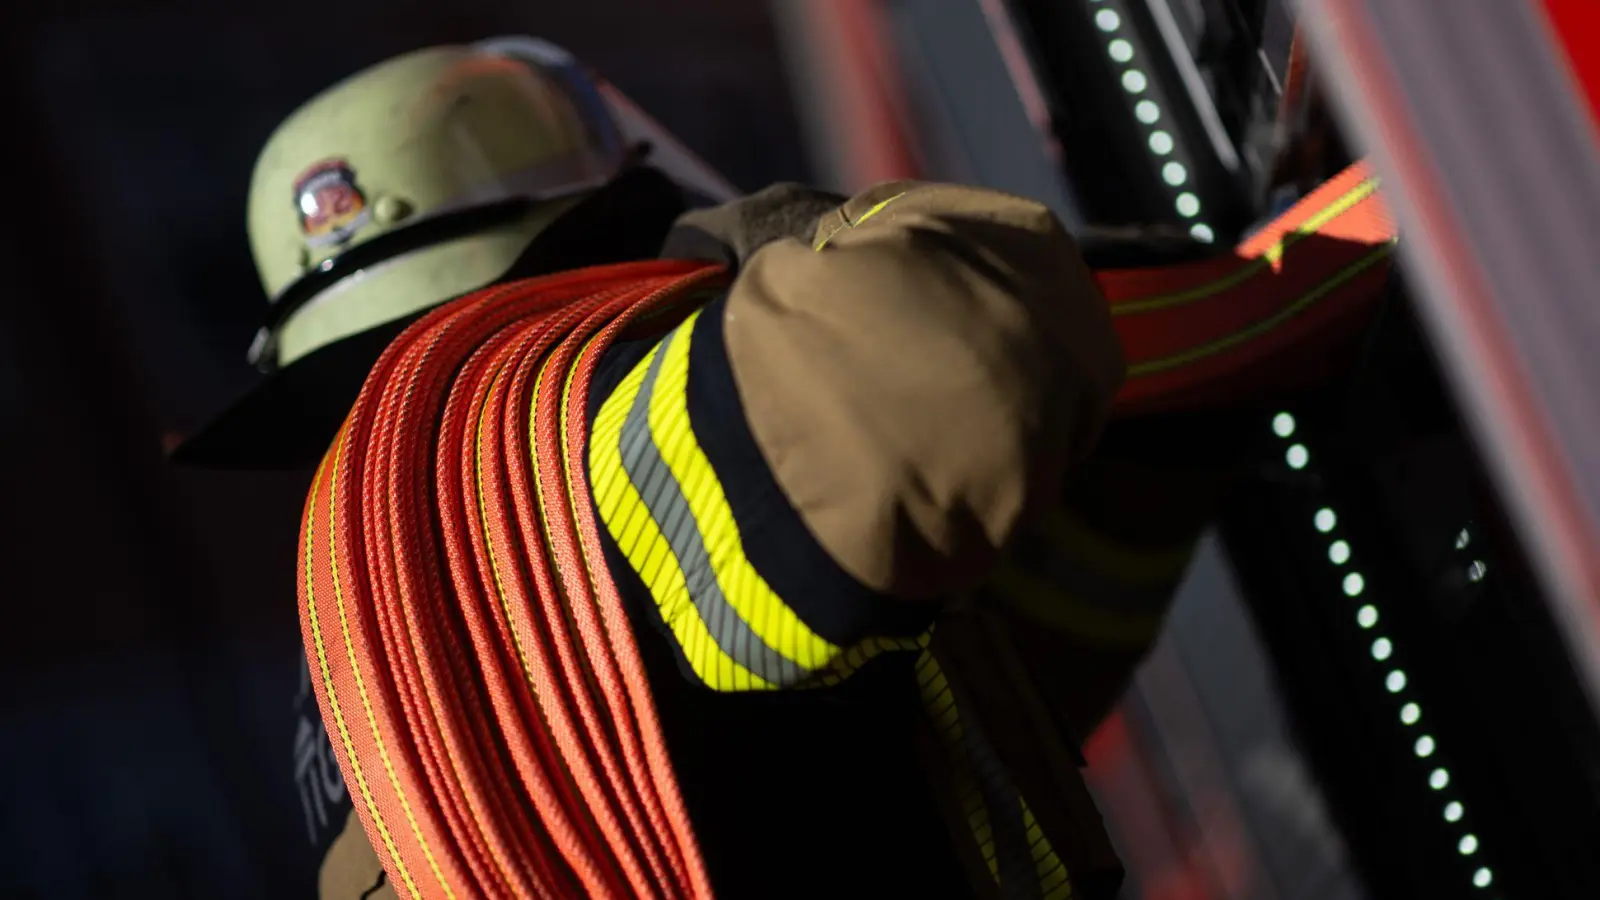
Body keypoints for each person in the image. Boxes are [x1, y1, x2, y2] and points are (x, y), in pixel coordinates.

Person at [180, 35, 1398, 900]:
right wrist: (778, 254)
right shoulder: (586, 458)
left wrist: (1156, 413)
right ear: (599, 223)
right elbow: (955, 359)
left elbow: (907, 715)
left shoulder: (368, 676)